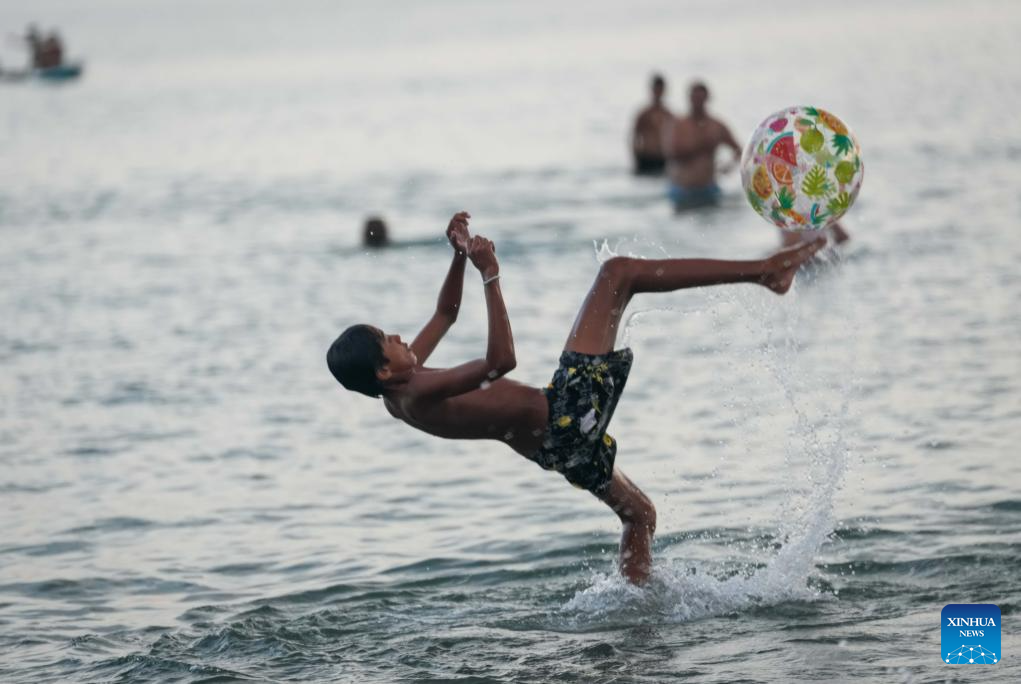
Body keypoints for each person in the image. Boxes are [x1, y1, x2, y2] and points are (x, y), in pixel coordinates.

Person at [327, 212, 824, 585]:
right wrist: (490, 274)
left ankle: (638, 607)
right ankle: (765, 272)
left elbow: (446, 314)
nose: (399, 336)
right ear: (384, 370)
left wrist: (458, 255)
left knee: (639, 516)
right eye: (388, 339)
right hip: (567, 413)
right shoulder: (415, 390)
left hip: (556, 445)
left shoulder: (399, 389)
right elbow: (500, 361)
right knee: (617, 274)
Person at [664, 81, 742, 210]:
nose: (698, 102)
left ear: (707, 98)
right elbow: (671, 153)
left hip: (708, 188)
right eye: (695, 98)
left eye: (700, 98)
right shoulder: (679, 125)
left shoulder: (716, 126)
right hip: (682, 189)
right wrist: (699, 145)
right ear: (689, 98)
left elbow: (739, 151)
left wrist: (727, 167)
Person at [631, 74, 672, 175]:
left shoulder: (668, 114)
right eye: (656, 89)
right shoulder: (644, 113)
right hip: (646, 157)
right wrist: (636, 156)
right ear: (652, 90)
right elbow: (635, 136)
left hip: (663, 158)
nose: (658, 92)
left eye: (660, 89)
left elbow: (674, 138)